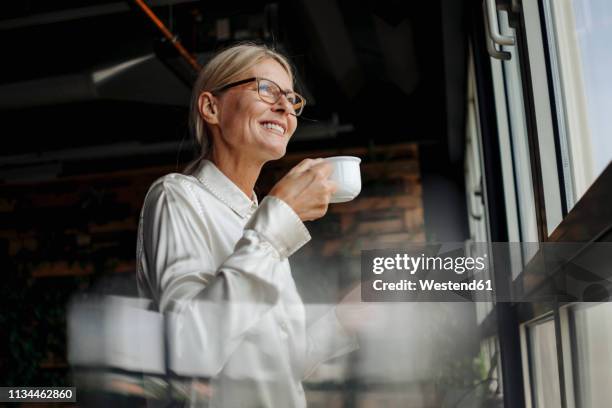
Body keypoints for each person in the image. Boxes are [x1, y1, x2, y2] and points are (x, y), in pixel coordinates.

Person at [136, 43, 359, 407]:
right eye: (266, 89)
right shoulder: (176, 196)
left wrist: (345, 319)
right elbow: (189, 350)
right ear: (211, 107)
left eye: (291, 98)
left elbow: (277, 363)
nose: (286, 107)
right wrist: (278, 223)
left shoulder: (262, 219)